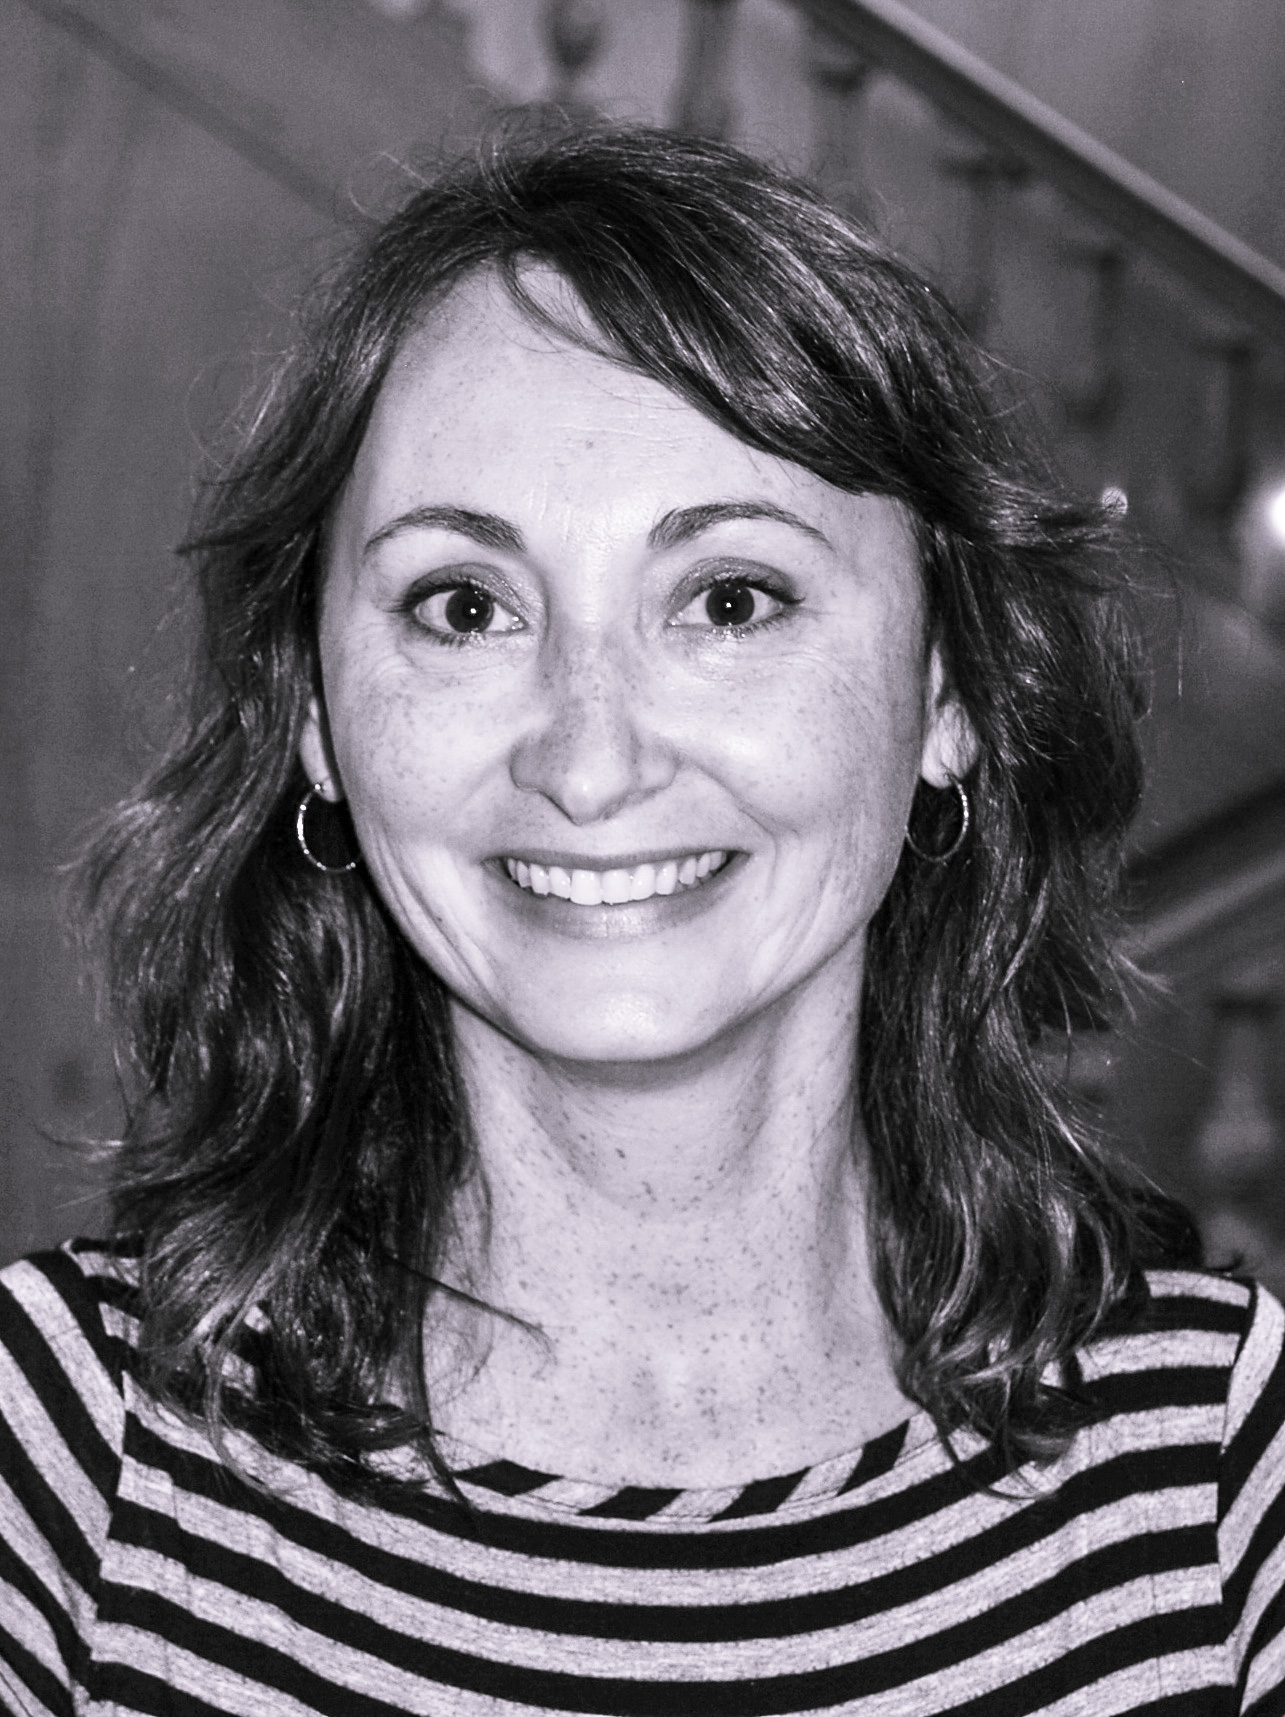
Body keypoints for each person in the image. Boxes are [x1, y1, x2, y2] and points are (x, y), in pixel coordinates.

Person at [1, 124, 1281, 1717]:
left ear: (946, 687)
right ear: (316, 711)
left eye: (728, 599)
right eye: (465, 607)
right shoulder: (71, 1466)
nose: (589, 760)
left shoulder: (1214, 1477)